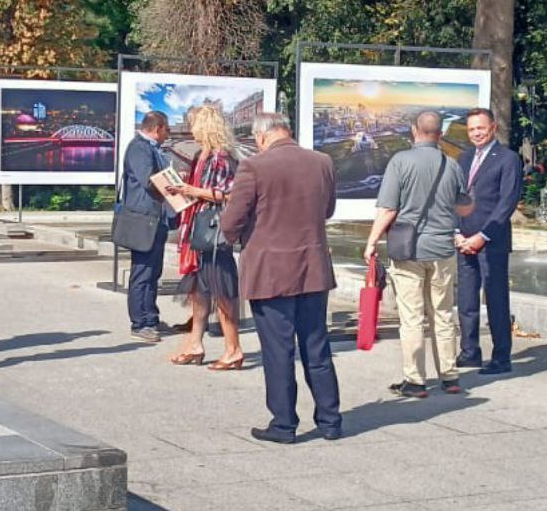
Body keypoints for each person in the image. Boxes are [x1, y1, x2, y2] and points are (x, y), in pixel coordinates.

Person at [221, 113, 342, 444]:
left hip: (270, 271)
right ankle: (330, 420)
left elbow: (231, 223)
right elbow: (328, 210)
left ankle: (284, 424)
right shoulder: (322, 161)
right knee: (316, 346)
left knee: (278, 350)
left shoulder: (254, 167)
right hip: (313, 268)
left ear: (261, 137)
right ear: (287, 131)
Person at [363, 111, 472, 398]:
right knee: (443, 313)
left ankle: (415, 380)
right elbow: (464, 208)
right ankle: (449, 376)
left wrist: (372, 241)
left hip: (408, 250)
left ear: (414, 131)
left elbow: (388, 209)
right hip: (443, 250)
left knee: (412, 317)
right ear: (440, 133)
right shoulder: (451, 165)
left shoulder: (400, 162)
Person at [165, 106, 244, 370]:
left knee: (221, 291)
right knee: (199, 290)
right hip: (199, 229)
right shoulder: (205, 155)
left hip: (212, 231)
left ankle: (233, 349)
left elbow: (228, 194)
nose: (191, 130)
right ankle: (195, 343)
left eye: (194, 125)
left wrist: (189, 189)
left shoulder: (220, 157)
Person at [455, 108, 524, 375]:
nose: (476, 134)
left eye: (480, 128)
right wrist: (457, 233)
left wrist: (482, 237)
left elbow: (507, 202)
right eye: (472, 129)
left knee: (496, 299)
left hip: (491, 240)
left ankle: (501, 357)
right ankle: (470, 352)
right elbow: (455, 197)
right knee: (466, 300)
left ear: (493, 127)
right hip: (463, 240)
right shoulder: (464, 157)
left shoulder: (508, 159)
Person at [122, 111, 176, 343]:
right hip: (143, 219)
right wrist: (175, 187)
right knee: (142, 272)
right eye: (167, 130)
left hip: (156, 219)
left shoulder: (154, 148)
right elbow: (148, 179)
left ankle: (151, 317)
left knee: (154, 271)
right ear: (158, 128)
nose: (168, 135)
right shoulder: (139, 147)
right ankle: (140, 322)